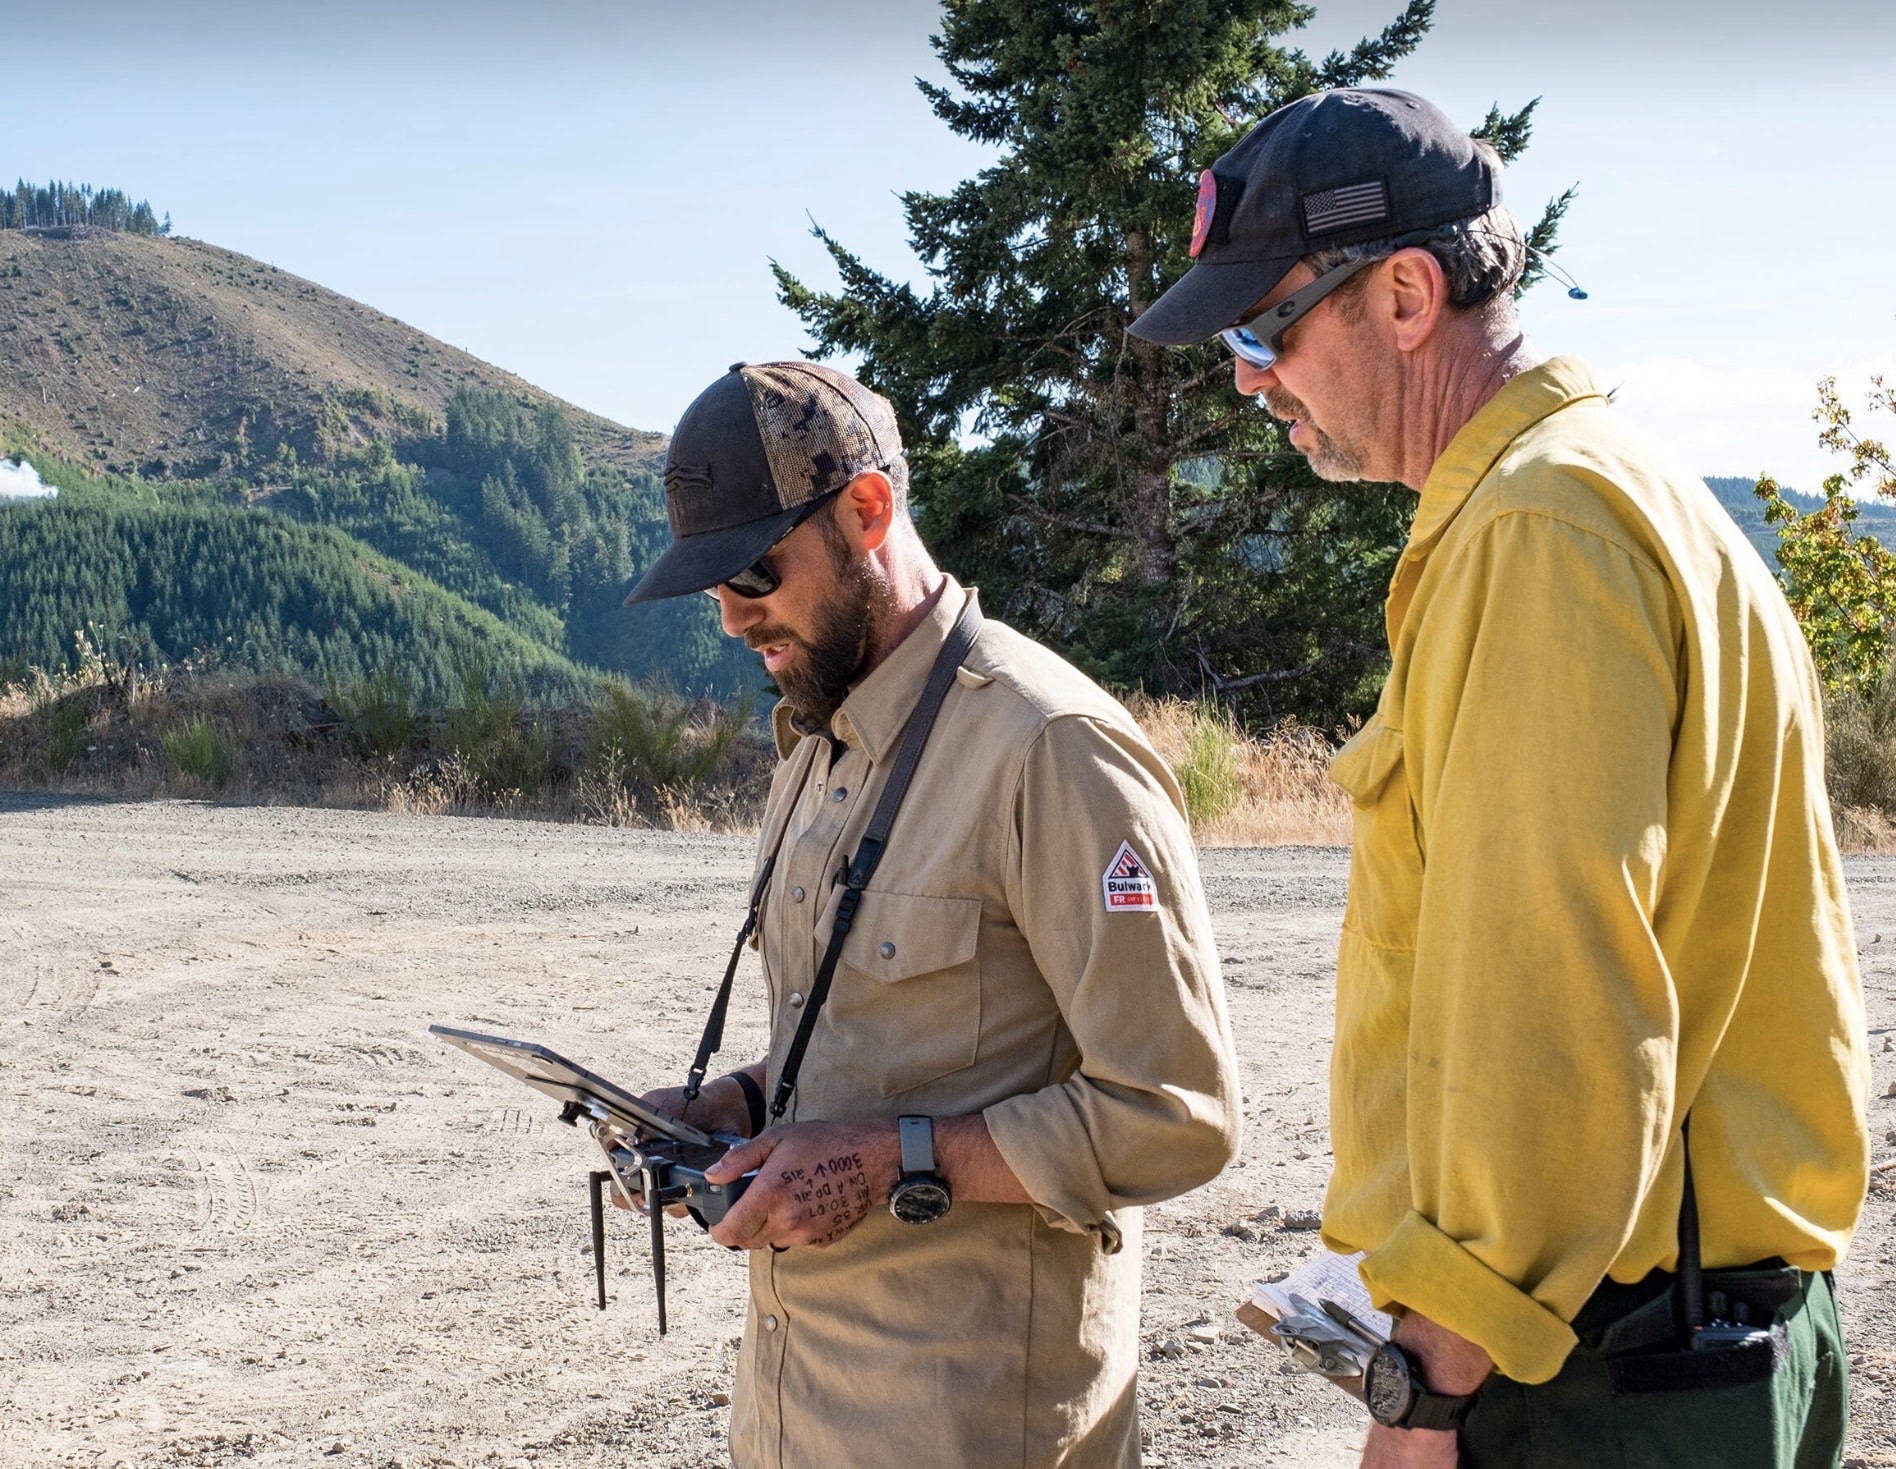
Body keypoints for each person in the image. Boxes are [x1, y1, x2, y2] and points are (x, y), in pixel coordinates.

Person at [1129, 87, 1870, 1468]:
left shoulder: (1537, 528)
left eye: (1263, 328)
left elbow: (1555, 1004)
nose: (1247, 379)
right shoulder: (1617, 489)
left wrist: (1430, 1382)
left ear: (1406, 295)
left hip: (1606, 1375)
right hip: (1677, 1342)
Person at [619, 359, 1243, 1469]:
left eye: (753, 573)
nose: (732, 618)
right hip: (801, 1418)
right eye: (711, 587)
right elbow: (879, 1044)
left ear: (868, 509)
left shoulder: (1051, 747)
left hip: (978, 1432)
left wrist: (889, 1162)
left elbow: (1178, 1111)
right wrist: (728, 1106)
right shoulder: (817, 745)